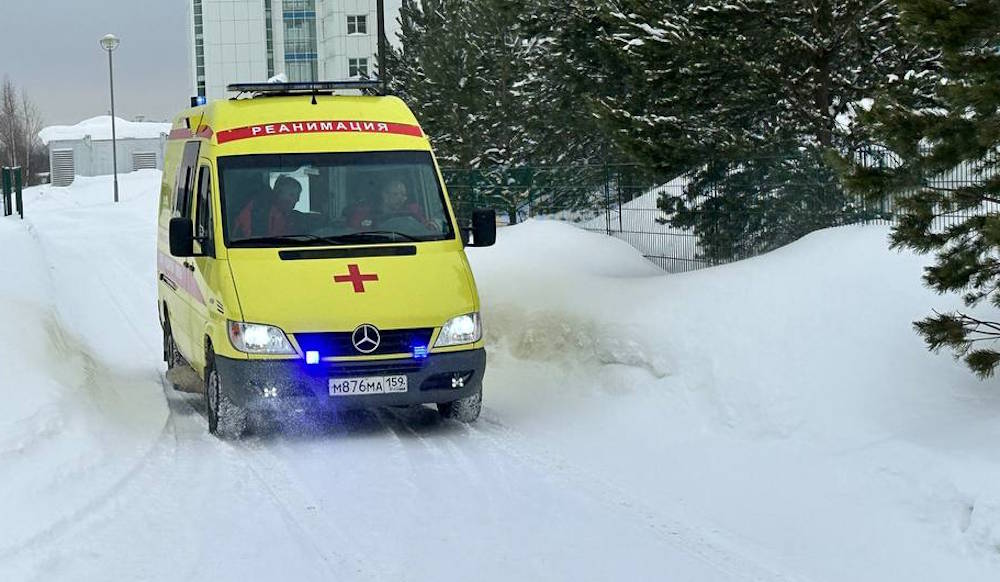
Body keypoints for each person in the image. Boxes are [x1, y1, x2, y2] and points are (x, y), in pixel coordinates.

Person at [233, 176, 302, 238]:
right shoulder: (260, 213)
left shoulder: (288, 215)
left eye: (297, 195)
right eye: (292, 195)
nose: (297, 199)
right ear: (279, 193)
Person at [348, 179, 430, 229]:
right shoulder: (365, 213)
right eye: (395, 194)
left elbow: (426, 228)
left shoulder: (412, 213)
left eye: (403, 195)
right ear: (385, 195)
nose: (400, 198)